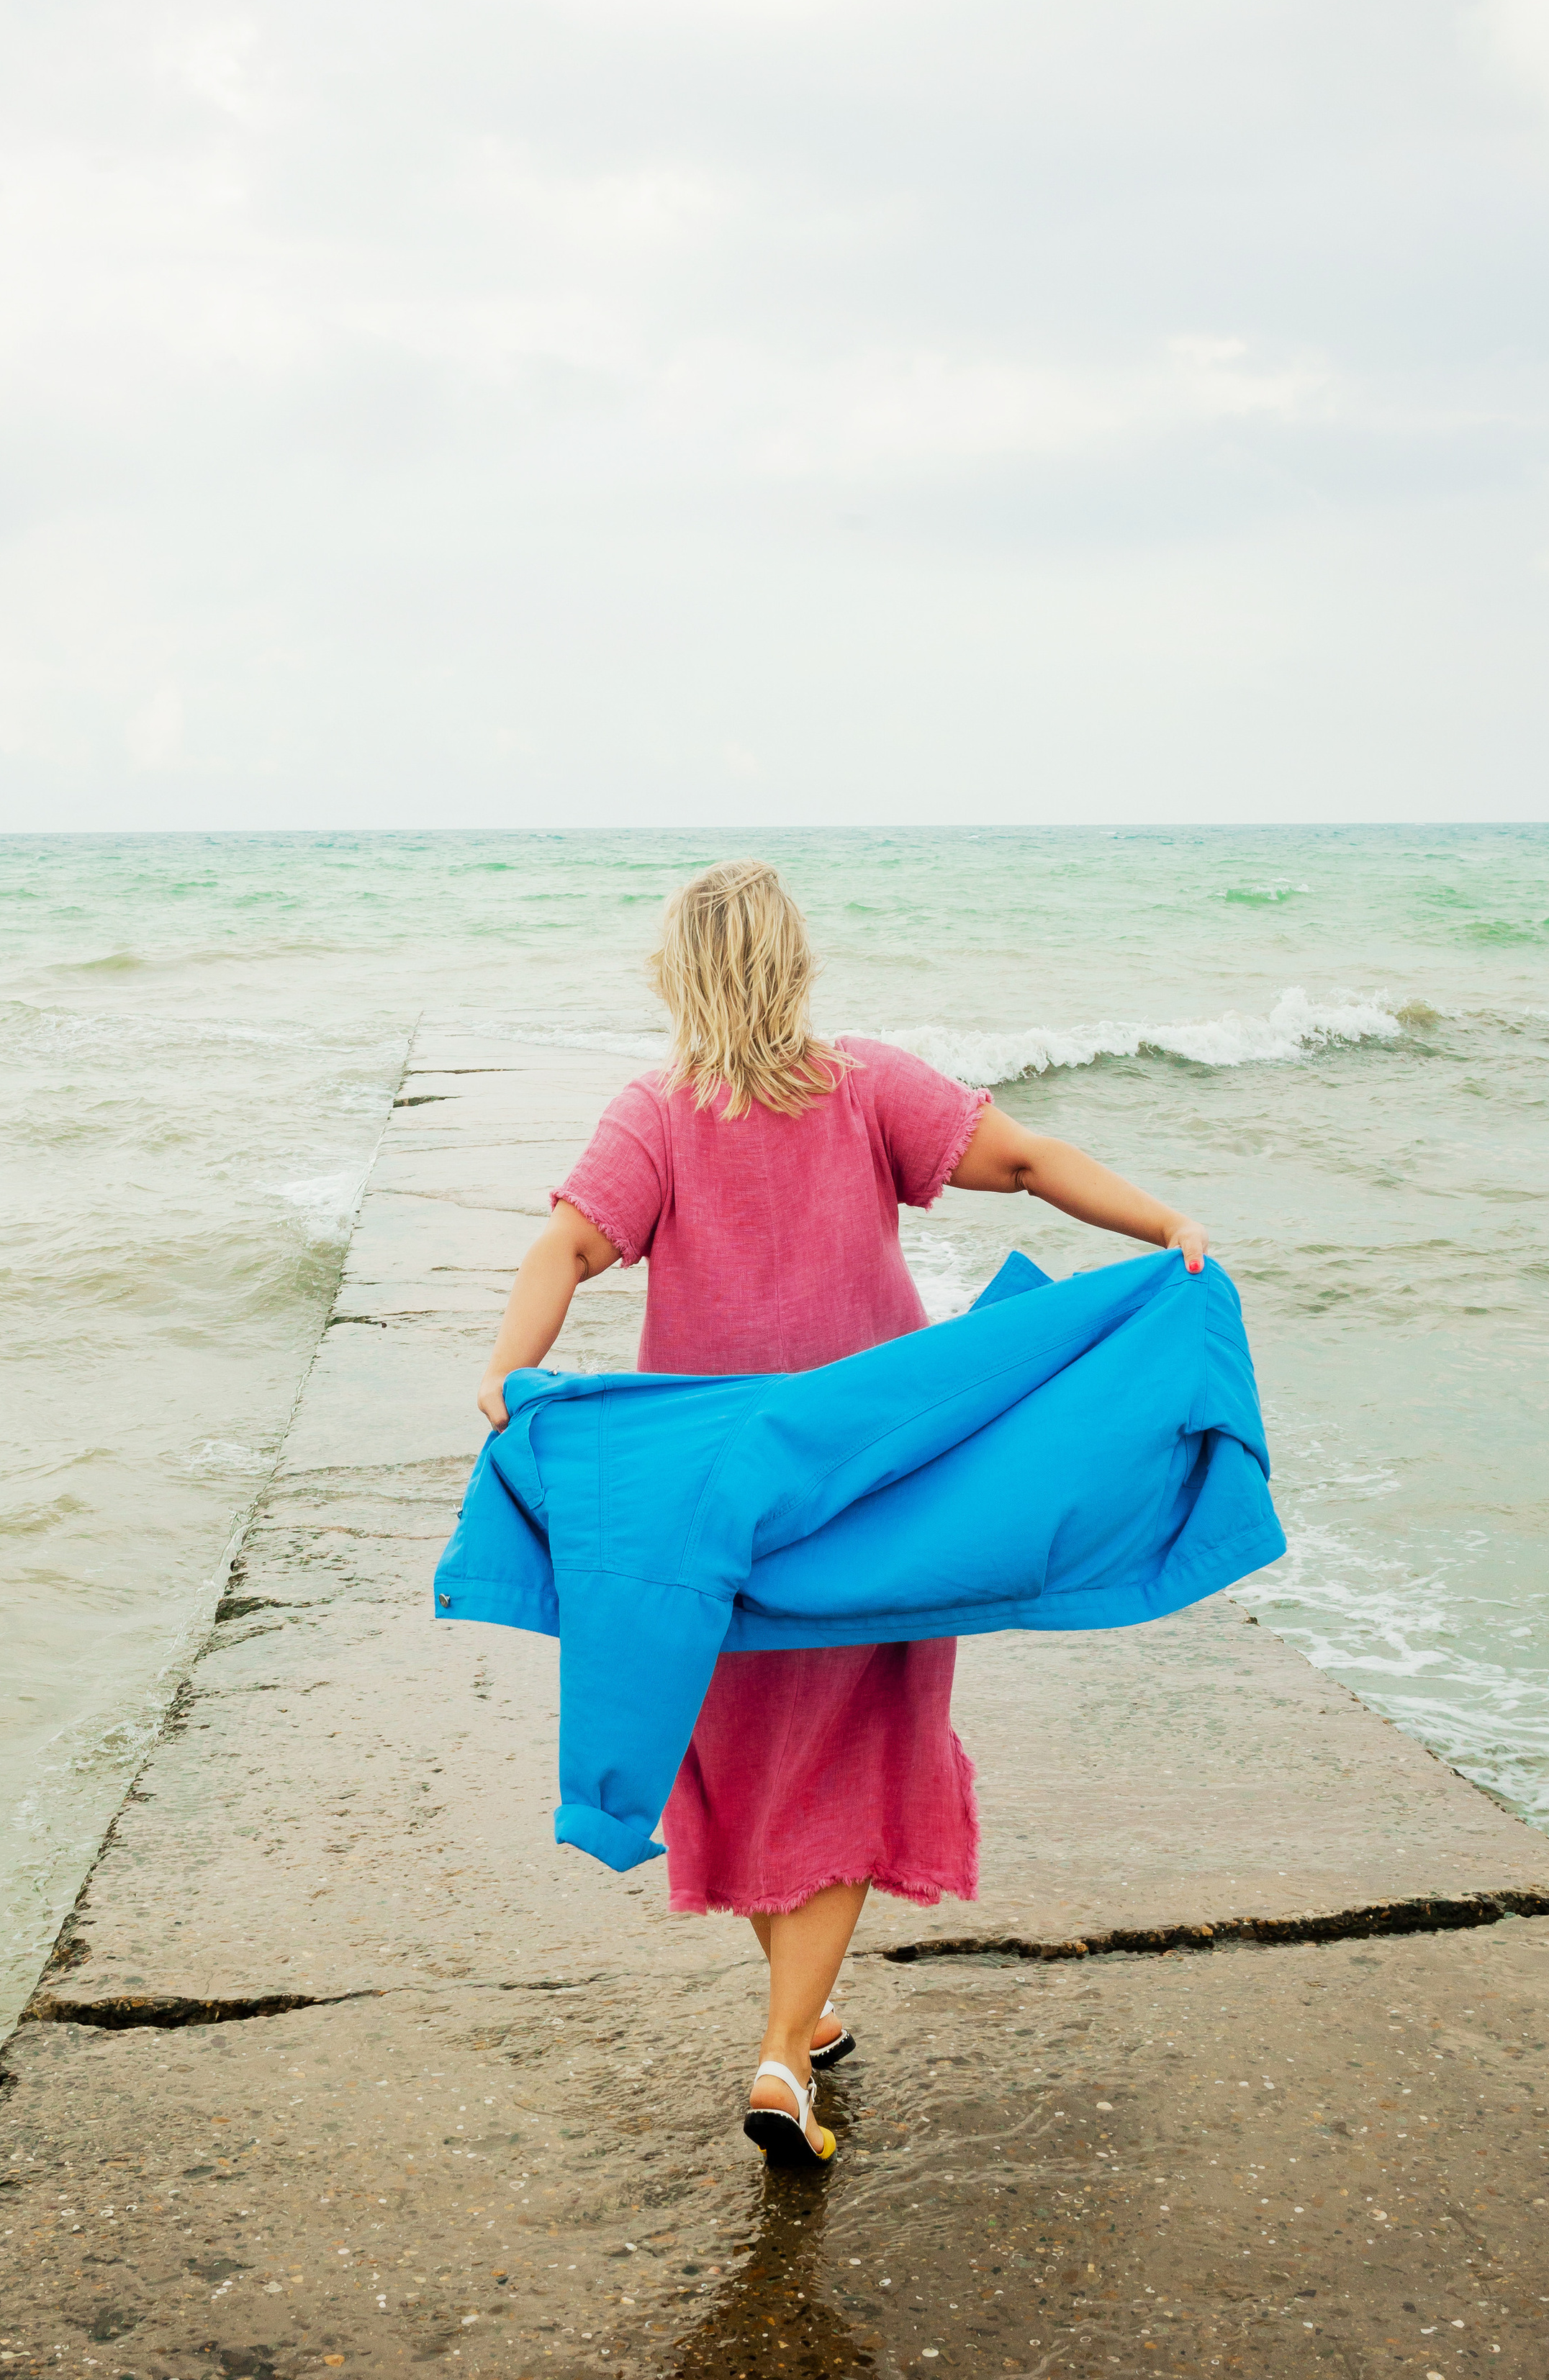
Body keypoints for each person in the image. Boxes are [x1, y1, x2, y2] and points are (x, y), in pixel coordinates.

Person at [476, 859, 1206, 2170]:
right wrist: (1164, 1225)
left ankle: (794, 2024)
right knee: (857, 1761)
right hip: (880, 1495)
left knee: (751, 1760)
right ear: (794, 963)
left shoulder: (653, 1115)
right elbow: (1030, 1161)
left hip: (719, 1509)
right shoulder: (868, 1084)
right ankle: (780, 2050)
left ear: (677, 974)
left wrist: (503, 1374)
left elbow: (566, 1250)